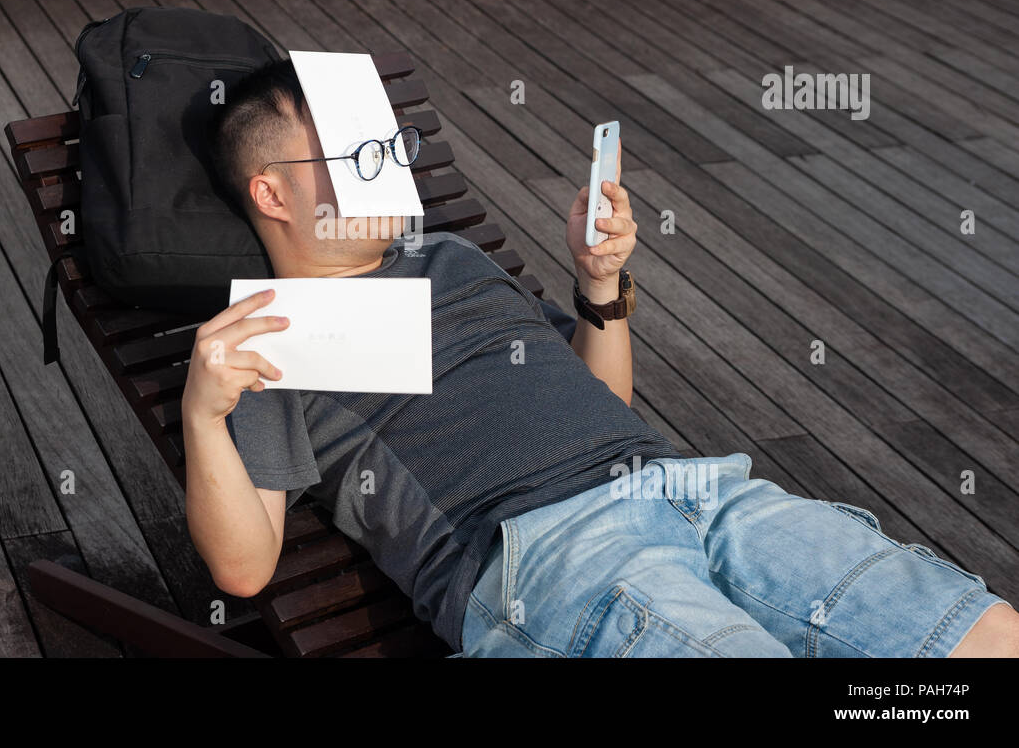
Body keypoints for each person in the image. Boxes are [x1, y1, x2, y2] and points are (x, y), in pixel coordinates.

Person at [182, 58, 1017, 657]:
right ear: (271, 190)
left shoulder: (451, 258)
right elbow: (245, 568)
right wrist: (203, 412)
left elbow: (604, 398)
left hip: (696, 493)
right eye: (354, 154)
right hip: (544, 554)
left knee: (985, 636)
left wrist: (600, 284)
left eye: (383, 146)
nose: (386, 168)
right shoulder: (265, 332)